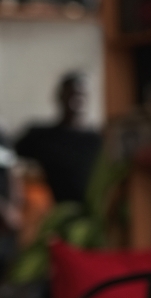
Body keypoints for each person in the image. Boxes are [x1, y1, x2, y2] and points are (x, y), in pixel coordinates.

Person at [15, 72, 102, 204]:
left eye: (81, 95)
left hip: (91, 212)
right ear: (60, 96)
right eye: (71, 93)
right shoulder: (40, 137)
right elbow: (10, 158)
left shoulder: (98, 141)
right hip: (55, 213)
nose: (76, 99)